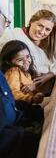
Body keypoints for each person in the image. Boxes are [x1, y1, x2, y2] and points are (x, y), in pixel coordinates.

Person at [0, 10, 44, 158]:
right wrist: (31, 98)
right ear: (9, 61)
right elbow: (14, 94)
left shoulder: (26, 71)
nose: (26, 61)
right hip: (18, 115)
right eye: (20, 60)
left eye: (28, 57)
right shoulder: (13, 71)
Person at [0, 10, 56, 94]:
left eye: (47, 29)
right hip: (24, 91)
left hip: (47, 90)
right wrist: (30, 82)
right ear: (31, 22)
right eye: (40, 25)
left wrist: (49, 75)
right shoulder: (13, 35)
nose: (42, 32)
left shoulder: (49, 43)